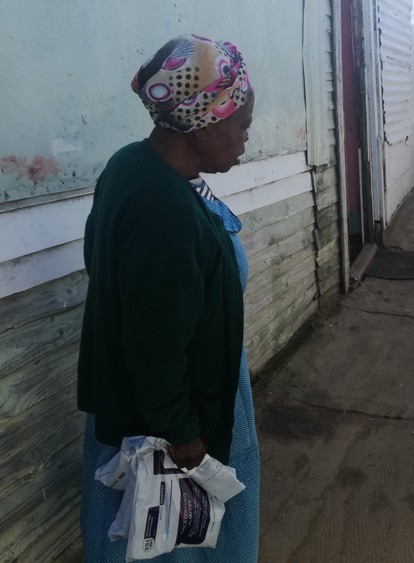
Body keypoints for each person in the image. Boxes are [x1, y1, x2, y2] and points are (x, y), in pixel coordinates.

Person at [77, 34, 259, 561]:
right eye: (242, 124)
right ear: (205, 121)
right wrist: (184, 437)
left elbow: (107, 264)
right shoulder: (165, 210)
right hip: (164, 426)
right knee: (171, 538)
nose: (247, 137)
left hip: (144, 400)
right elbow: (155, 346)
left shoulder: (132, 165)